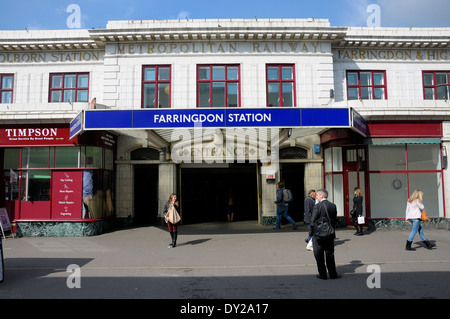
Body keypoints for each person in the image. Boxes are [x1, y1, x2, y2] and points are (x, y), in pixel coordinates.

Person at [310, 188, 341, 280]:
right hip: (329, 233)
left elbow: (312, 221)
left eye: (317, 196)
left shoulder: (318, 206)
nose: (316, 197)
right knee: (330, 254)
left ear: (321, 196)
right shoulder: (333, 205)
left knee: (319, 254)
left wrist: (311, 233)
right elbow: (334, 220)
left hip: (318, 234)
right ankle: (332, 274)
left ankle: (322, 274)